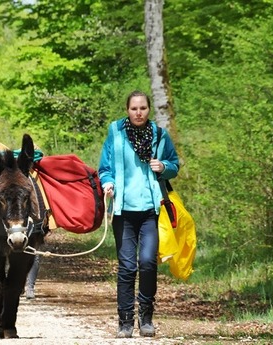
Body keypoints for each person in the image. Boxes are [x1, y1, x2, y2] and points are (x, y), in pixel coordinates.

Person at [98, 90, 179, 338]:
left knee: (147, 262)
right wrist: (107, 183)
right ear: (127, 110)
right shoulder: (116, 133)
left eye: (143, 108)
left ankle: (146, 319)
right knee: (126, 266)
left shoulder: (159, 135)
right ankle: (124, 322)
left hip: (150, 211)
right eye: (134, 108)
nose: (138, 112)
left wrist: (163, 167)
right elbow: (105, 167)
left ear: (149, 109)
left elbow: (174, 165)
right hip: (123, 211)